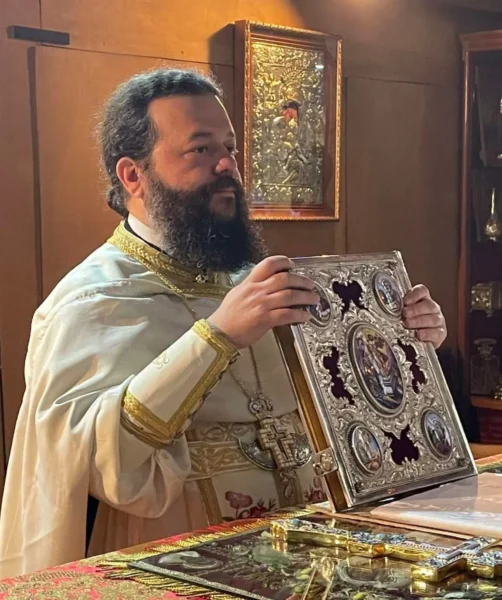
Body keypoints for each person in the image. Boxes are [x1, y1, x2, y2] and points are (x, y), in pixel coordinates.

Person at [0, 68, 447, 577]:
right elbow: (100, 466)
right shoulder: (92, 302)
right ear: (132, 175)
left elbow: (348, 403)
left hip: (309, 556)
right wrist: (218, 336)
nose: (227, 165)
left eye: (230, 148)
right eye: (200, 149)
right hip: (173, 562)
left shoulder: (252, 282)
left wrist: (408, 339)